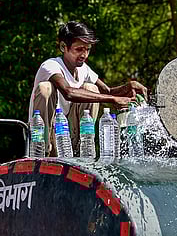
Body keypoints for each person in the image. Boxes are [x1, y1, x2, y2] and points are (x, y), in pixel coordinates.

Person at [28, 21, 148, 156]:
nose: (84, 55)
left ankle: (82, 149)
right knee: (46, 88)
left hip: (68, 139)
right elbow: (69, 92)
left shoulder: (83, 69)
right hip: (48, 136)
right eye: (79, 49)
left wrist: (129, 86)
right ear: (63, 47)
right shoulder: (50, 66)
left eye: (88, 49)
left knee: (91, 88)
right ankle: (42, 150)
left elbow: (107, 91)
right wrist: (114, 99)